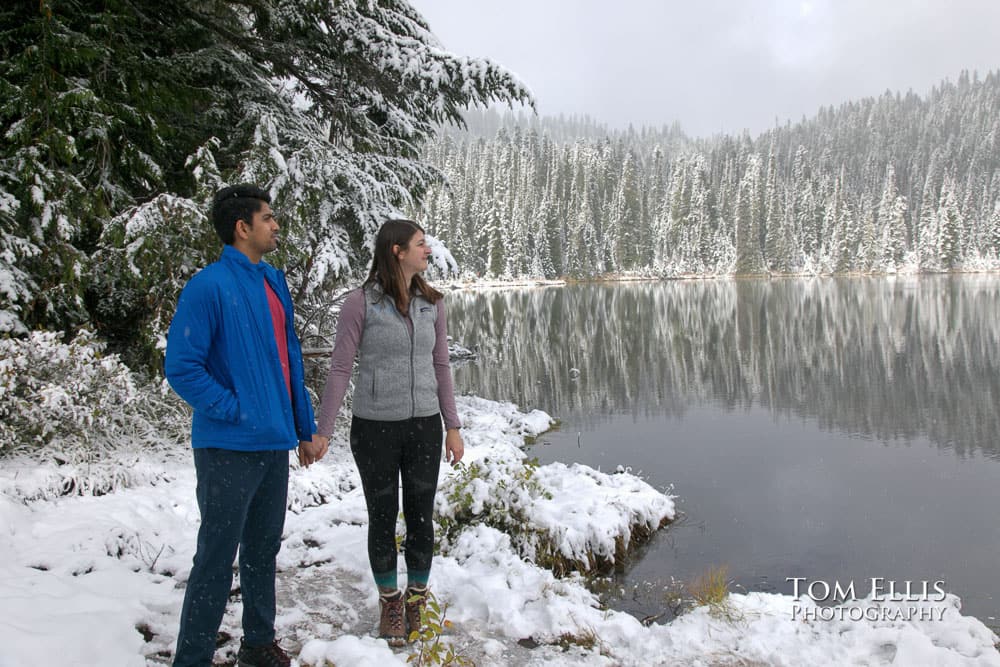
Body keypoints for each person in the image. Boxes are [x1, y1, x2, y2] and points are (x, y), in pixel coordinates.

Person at [165, 184, 329, 667]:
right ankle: (191, 659)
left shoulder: (272, 283)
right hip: (227, 448)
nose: (276, 225)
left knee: (262, 550)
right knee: (216, 557)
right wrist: (236, 410)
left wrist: (303, 428)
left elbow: (289, 361)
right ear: (243, 227)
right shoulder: (208, 286)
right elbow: (182, 368)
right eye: (268, 218)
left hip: (273, 446)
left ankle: (258, 645)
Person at [316, 219, 464, 647]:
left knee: (421, 517)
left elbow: (441, 365)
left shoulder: (432, 303)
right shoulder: (360, 303)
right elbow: (340, 367)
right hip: (375, 428)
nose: (428, 251)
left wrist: (452, 425)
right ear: (397, 251)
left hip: (424, 426)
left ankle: (416, 600)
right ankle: (390, 603)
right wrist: (324, 429)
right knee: (382, 517)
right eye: (420, 244)